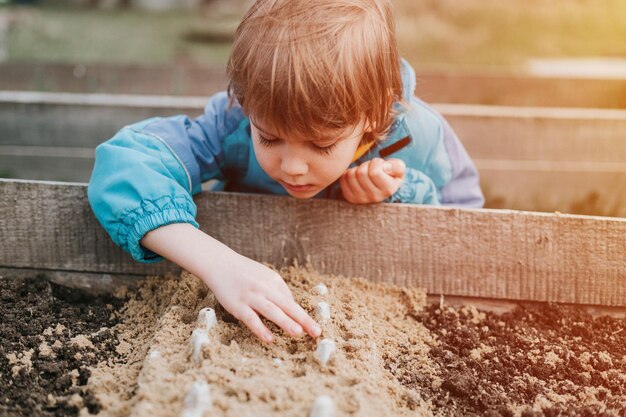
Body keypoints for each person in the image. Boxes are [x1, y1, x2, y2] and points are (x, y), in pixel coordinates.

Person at [88, 0, 484, 345]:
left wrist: (402, 195)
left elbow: (469, 234)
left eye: (322, 145)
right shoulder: (233, 125)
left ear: (373, 113)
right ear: (246, 102)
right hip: (249, 270)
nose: (292, 167)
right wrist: (218, 263)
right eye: (270, 138)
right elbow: (127, 162)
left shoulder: (421, 138)